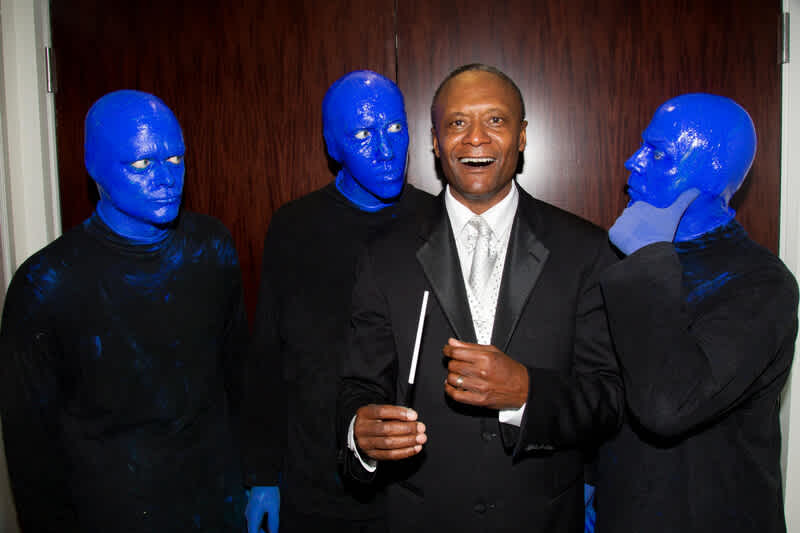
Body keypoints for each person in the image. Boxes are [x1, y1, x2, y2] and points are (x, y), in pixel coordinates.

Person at [337, 63, 623, 532]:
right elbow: (359, 384)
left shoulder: (586, 249)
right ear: (434, 140)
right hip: (422, 517)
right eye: (456, 123)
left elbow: (608, 398)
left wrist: (529, 394)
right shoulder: (384, 254)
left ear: (523, 135)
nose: (475, 138)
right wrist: (359, 433)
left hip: (542, 518)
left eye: (495, 120)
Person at [0, 90, 248, 532]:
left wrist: (258, 477)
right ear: (94, 167)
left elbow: (237, 374)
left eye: (175, 161)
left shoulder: (212, 246)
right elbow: (30, 446)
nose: (166, 179)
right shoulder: (46, 283)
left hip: (217, 501)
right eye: (141, 164)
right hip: (112, 512)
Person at [594, 93, 798, 532]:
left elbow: (669, 405)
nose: (634, 161)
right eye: (641, 146)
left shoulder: (762, 284)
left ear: (709, 176)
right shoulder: (620, 261)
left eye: (658, 154)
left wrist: (648, 256)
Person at [241, 70, 430, 533]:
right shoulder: (295, 227)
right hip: (318, 482)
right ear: (332, 146)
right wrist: (262, 476)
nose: (386, 151)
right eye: (364, 135)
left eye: (395, 129)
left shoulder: (437, 222)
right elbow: (269, 355)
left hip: (419, 486)